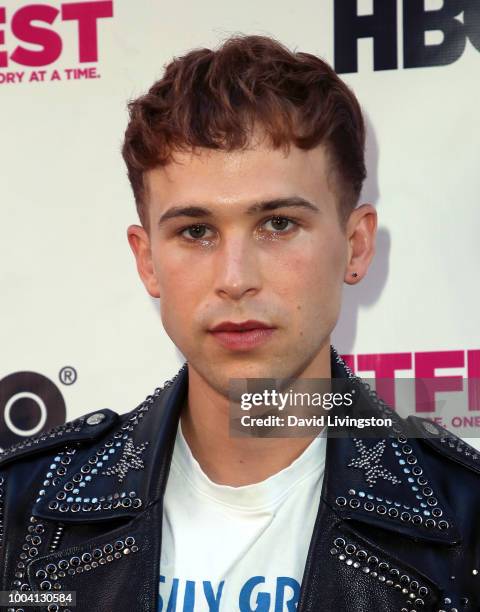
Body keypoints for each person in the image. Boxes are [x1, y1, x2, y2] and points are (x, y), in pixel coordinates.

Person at [1, 34, 479, 612]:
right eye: (196, 231)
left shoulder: (465, 517)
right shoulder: (22, 508)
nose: (234, 278)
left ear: (355, 246)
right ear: (147, 261)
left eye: (277, 224)